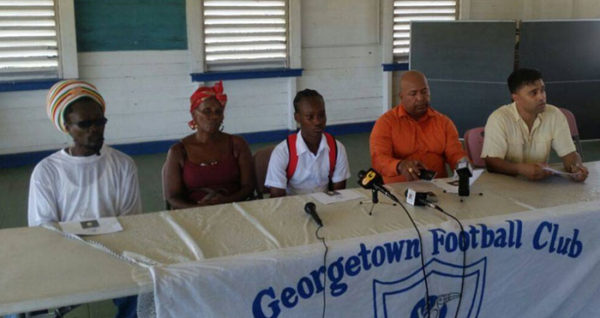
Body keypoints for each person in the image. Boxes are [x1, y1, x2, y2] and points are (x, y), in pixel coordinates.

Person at [27, 79, 142, 318]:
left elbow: (132, 222)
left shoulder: (122, 164)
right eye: (85, 124)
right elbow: (43, 229)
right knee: (23, 298)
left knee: (146, 288)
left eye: (100, 122)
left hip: (115, 254)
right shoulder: (47, 171)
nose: (94, 129)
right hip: (64, 258)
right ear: (67, 126)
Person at [481, 68, 588, 181]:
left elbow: (569, 154)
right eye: (534, 93)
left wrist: (576, 167)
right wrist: (519, 169)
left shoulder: (554, 114)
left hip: (540, 185)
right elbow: (491, 162)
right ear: (515, 97)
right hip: (506, 183)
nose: (541, 97)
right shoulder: (499, 118)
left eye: (542, 90)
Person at [163, 81, 254, 209]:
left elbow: (248, 187)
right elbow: (173, 197)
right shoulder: (179, 151)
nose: (214, 116)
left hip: (233, 208)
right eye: (207, 111)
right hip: (193, 212)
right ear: (194, 114)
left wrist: (226, 202)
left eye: (218, 112)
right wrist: (198, 209)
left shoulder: (237, 144)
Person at [370, 70, 468, 184]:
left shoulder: (444, 123)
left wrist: (463, 163)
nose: (420, 98)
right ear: (401, 96)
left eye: (424, 92)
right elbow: (379, 160)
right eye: (413, 94)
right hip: (398, 190)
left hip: (438, 189)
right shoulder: (385, 123)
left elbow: (456, 154)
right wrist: (399, 166)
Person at [265, 89, 350, 197]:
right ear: (297, 118)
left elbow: (339, 193)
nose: (318, 121)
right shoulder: (283, 152)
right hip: (293, 206)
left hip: (326, 206)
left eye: (321, 115)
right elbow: (277, 198)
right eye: (310, 117)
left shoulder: (337, 148)